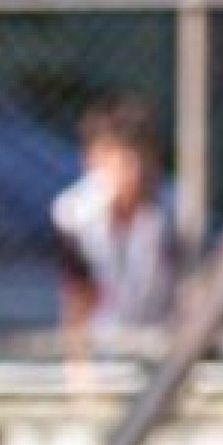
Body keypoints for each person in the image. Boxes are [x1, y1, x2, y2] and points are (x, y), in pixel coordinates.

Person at [52, 93, 182, 357]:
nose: (132, 171)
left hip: (167, 347)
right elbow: (77, 300)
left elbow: (189, 293)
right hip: (105, 350)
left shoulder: (177, 210)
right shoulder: (73, 215)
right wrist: (81, 383)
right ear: (91, 160)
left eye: (140, 157)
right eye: (118, 159)